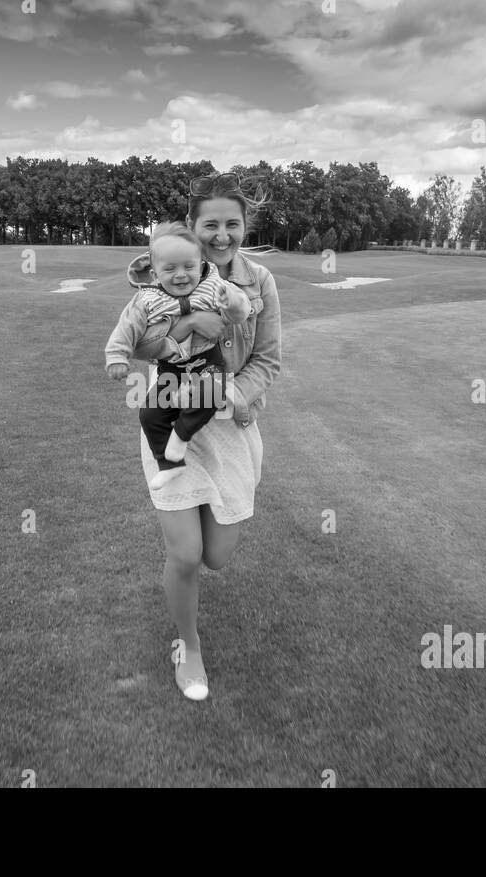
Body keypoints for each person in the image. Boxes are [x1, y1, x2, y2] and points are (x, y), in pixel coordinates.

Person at [120, 171, 282, 701]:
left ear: (243, 227)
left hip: (230, 427)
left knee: (217, 555)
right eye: (209, 224)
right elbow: (139, 345)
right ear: (192, 226)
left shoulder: (258, 283)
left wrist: (225, 394)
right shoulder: (166, 271)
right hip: (169, 419)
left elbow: (267, 361)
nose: (221, 234)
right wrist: (188, 329)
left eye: (231, 224)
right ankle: (187, 646)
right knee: (186, 555)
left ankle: (191, 559)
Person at [104, 222, 251, 490]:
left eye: (188, 267)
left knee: (210, 394)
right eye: (170, 269)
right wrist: (116, 356)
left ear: (200, 263)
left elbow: (240, 312)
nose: (181, 275)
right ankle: (169, 464)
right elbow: (127, 329)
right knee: (149, 415)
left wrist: (231, 302)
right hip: (171, 370)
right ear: (154, 271)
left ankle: (180, 438)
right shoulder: (146, 299)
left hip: (207, 363)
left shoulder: (213, 286)